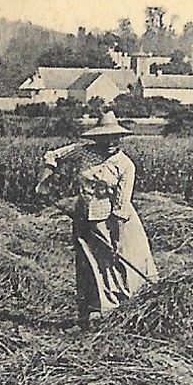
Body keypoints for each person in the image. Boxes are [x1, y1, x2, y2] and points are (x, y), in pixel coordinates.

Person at [45, 111, 159, 330]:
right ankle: (87, 316)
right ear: (95, 138)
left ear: (119, 139)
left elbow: (120, 206)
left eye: (113, 138)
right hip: (83, 217)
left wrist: (116, 240)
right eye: (103, 138)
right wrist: (43, 182)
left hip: (113, 221)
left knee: (114, 267)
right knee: (87, 266)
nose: (109, 143)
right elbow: (53, 156)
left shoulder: (125, 165)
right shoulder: (82, 152)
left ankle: (120, 314)